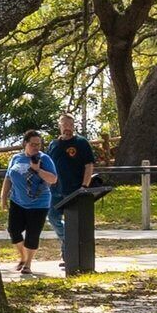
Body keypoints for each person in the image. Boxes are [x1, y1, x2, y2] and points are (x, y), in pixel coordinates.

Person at [2, 132, 62, 277]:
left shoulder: (44, 159)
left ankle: (28, 263)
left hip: (39, 203)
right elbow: (8, 177)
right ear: (25, 144)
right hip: (17, 201)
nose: (36, 147)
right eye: (32, 144)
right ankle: (22, 257)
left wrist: (37, 169)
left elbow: (53, 179)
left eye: (38, 144)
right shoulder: (16, 158)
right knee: (13, 230)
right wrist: (3, 197)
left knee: (32, 234)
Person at [47, 117, 102, 275]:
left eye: (70, 125)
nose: (68, 128)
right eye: (65, 125)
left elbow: (89, 165)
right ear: (59, 126)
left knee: (75, 224)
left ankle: (68, 256)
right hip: (56, 190)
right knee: (53, 217)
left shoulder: (81, 143)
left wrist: (84, 186)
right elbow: (48, 165)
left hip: (75, 190)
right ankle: (67, 243)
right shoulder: (53, 144)